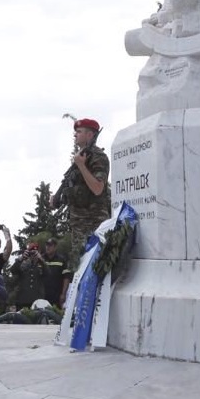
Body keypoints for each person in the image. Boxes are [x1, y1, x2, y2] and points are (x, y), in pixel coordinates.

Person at [57, 118, 111, 283]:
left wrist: (81, 165)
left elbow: (97, 188)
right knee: (78, 272)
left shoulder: (97, 157)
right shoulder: (80, 158)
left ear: (90, 135)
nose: (75, 135)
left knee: (92, 273)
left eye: (79, 132)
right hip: (79, 227)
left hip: (93, 226)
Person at [11, 243, 47, 309]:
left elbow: (48, 274)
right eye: (31, 252)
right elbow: (13, 270)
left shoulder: (42, 265)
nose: (33, 255)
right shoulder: (22, 263)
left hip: (37, 301)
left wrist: (41, 260)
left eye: (35, 253)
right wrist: (21, 258)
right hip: (22, 300)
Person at [41, 238, 67, 306]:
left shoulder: (62, 260)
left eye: (50, 245)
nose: (47, 247)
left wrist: (63, 294)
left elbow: (66, 277)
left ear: (55, 247)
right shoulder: (40, 259)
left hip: (56, 297)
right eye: (46, 245)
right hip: (41, 297)